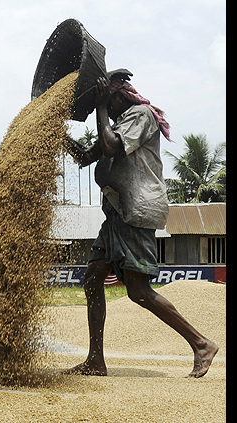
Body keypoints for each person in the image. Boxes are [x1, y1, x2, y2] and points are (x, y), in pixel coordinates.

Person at [63, 70, 218, 378]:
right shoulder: (118, 122)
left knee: (139, 291)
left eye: (108, 101)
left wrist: (100, 105)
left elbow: (111, 147)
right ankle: (95, 360)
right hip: (116, 213)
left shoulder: (141, 115)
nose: (106, 109)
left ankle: (201, 344)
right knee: (93, 278)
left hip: (136, 211)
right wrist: (57, 134)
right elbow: (85, 156)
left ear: (120, 98)